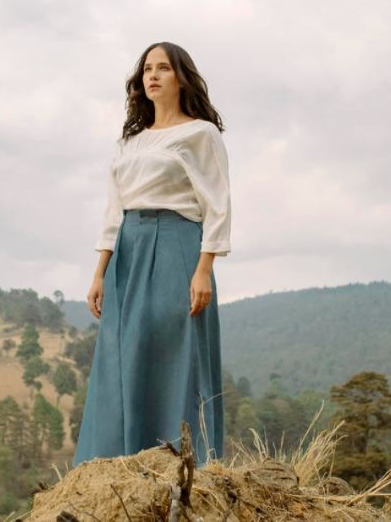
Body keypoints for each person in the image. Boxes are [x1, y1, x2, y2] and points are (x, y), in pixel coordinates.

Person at [74, 41, 232, 468]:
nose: (153, 76)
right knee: (121, 355)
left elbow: (218, 204)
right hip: (128, 249)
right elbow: (113, 210)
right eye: (147, 69)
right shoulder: (131, 142)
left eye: (163, 68)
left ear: (181, 77)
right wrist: (99, 272)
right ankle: (114, 465)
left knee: (174, 353)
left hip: (178, 244)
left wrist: (203, 269)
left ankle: (182, 463)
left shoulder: (200, 134)